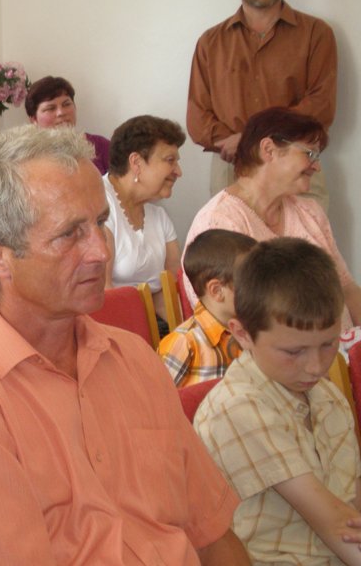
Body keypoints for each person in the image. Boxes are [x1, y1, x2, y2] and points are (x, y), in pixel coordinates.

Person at [0, 125, 249, 565]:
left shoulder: (135, 358)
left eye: (101, 223)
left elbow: (212, 535)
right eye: (69, 234)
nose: (101, 252)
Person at [194, 237, 361, 565]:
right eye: (294, 352)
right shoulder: (237, 409)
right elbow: (336, 526)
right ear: (242, 334)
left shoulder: (327, 396)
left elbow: (353, 502)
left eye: (328, 344)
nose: (316, 367)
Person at [183, 107, 361, 331]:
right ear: (268, 149)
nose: (316, 166)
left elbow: (346, 287)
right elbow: (223, 321)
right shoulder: (218, 222)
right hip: (275, 351)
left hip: (343, 347)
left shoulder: (310, 211)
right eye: (310, 154)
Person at [187, 0, 337, 209]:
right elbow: (198, 116)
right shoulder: (210, 43)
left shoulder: (316, 34)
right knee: (231, 234)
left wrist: (250, 140)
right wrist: (240, 144)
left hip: (297, 163)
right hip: (233, 166)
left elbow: (321, 105)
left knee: (303, 234)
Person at [104, 115, 185, 331]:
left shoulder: (159, 215)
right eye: (170, 160)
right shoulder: (100, 208)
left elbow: (170, 291)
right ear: (136, 163)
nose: (178, 171)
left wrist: (190, 333)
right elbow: (104, 296)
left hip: (148, 328)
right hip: (116, 329)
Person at [158, 229, 256, 387]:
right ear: (217, 291)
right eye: (252, 282)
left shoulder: (254, 329)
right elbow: (160, 398)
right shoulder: (184, 343)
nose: (262, 289)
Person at [25, 75, 110, 175]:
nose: (61, 113)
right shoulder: (27, 157)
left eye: (66, 104)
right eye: (51, 108)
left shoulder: (101, 146)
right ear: (33, 119)